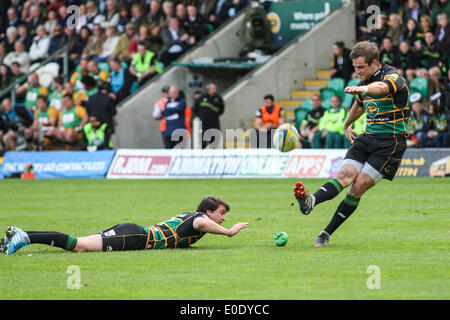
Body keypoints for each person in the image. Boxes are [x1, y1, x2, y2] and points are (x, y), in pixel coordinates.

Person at [294, 41, 410, 247]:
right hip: (367, 137)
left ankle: (326, 234)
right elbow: (360, 104)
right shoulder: (364, 82)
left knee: (358, 186)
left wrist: (363, 87)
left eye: (360, 68)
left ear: (374, 63)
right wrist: (347, 124)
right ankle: (310, 201)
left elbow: (381, 88)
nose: (356, 72)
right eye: (355, 68)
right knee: (344, 175)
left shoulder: (393, 77)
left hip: (389, 144)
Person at [1, 196, 249, 255]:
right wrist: (229, 232)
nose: (224, 217)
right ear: (208, 211)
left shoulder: (194, 218)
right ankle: (25, 236)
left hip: (134, 232)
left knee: (80, 244)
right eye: (222, 213)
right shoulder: (198, 218)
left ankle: (18, 236)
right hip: (136, 237)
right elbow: (201, 224)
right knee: (79, 247)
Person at [193, 83, 225, 148]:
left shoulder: (218, 98)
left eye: (215, 89)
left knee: (214, 142)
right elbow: (195, 109)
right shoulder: (201, 98)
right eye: (213, 89)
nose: (214, 91)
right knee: (203, 142)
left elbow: (221, 109)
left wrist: (214, 115)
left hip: (214, 123)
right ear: (208, 89)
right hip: (204, 123)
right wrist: (202, 115)